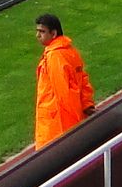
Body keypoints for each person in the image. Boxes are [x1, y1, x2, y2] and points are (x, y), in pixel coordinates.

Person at [32, 13, 94, 148]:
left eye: (42, 31)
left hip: (56, 123)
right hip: (66, 119)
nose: (38, 35)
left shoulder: (54, 56)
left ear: (53, 34)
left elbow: (63, 93)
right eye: (37, 31)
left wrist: (75, 124)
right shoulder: (70, 51)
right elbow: (83, 80)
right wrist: (87, 105)